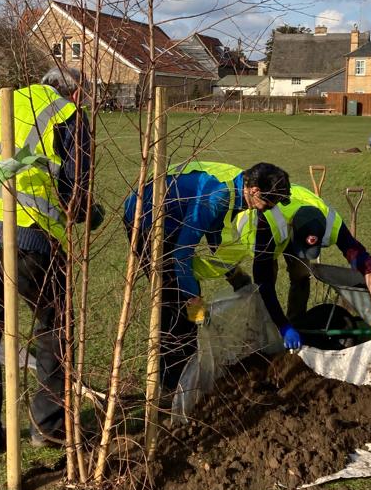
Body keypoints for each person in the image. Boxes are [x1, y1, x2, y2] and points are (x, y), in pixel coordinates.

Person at [0, 70, 96, 463]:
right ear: (75, 90)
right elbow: (76, 188)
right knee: (53, 327)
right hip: (30, 234)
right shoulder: (68, 114)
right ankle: (47, 427)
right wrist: (89, 212)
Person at [123, 161, 292, 391]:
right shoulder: (218, 196)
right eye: (269, 202)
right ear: (254, 191)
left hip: (169, 221)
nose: (268, 208)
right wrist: (194, 301)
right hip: (144, 218)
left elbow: (213, 234)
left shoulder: (235, 195)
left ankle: (187, 378)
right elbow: (181, 255)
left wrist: (233, 274)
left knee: (186, 305)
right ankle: (171, 387)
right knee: (174, 302)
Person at [217, 185, 371, 345]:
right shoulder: (265, 225)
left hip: (295, 222)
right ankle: (269, 331)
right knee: (268, 276)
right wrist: (282, 327)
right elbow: (265, 284)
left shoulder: (331, 223)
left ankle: (297, 324)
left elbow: (367, 264)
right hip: (259, 230)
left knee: (301, 274)